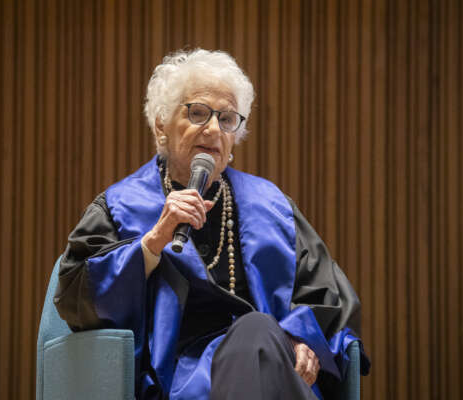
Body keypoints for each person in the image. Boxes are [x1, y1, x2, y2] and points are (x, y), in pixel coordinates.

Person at [54, 48, 369, 400]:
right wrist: (153, 242)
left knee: (258, 332)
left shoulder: (272, 206)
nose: (214, 129)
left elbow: (327, 296)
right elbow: (74, 298)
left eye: (227, 118)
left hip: (274, 366)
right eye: (198, 113)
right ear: (161, 123)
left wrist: (299, 337)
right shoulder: (118, 206)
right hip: (178, 381)